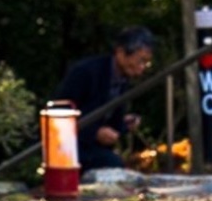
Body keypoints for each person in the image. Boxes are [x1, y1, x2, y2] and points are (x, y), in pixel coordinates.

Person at [53, 26, 155, 172]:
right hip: (69, 144)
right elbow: (59, 114)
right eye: (140, 61)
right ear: (120, 52)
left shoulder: (123, 80)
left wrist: (124, 125)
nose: (142, 68)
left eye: (146, 63)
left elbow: (109, 122)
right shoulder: (86, 72)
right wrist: (94, 132)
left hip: (92, 146)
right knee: (113, 164)